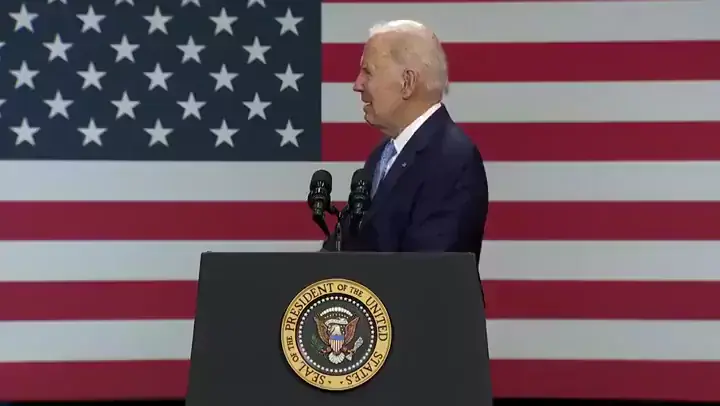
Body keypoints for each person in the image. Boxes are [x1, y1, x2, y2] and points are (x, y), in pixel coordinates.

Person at [323, 20, 489, 264]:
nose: (357, 85)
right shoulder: (382, 155)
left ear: (407, 83)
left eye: (368, 72)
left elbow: (430, 271)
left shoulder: (451, 159)